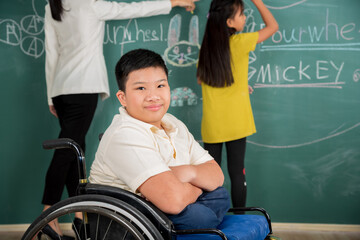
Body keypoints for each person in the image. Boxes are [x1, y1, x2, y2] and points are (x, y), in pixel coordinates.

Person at [41, 0, 198, 239]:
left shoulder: (53, 5)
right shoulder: (90, 5)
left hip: (61, 89)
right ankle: (48, 216)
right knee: (67, 150)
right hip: (84, 86)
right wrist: (172, 2)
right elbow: (132, 9)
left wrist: (51, 95)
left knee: (75, 150)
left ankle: (80, 215)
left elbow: (51, 51)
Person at [89, 49, 230, 230]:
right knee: (201, 214)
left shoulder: (172, 122)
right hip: (130, 220)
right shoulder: (125, 134)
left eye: (160, 86)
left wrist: (187, 173)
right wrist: (197, 188)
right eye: (141, 88)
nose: (153, 96)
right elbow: (173, 201)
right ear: (122, 98)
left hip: (162, 207)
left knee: (221, 195)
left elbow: (216, 176)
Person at [196, 0, 278, 210]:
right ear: (230, 21)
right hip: (237, 123)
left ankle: (211, 221)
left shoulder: (205, 50)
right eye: (242, 14)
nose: (244, 18)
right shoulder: (241, 42)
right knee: (237, 172)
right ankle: (240, 219)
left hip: (213, 125)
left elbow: (203, 80)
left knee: (211, 177)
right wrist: (257, 2)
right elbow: (272, 27)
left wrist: (242, 86)